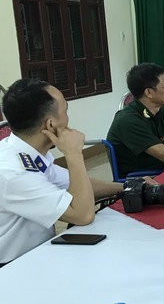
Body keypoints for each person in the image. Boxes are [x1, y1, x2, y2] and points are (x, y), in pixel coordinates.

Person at [0, 79, 123, 264]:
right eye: (65, 110)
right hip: (13, 267)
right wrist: (74, 154)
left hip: (40, 252)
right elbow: (83, 215)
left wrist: (125, 186)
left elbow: (74, 183)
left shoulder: (28, 152)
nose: (67, 117)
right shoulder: (13, 172)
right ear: (51, 125)